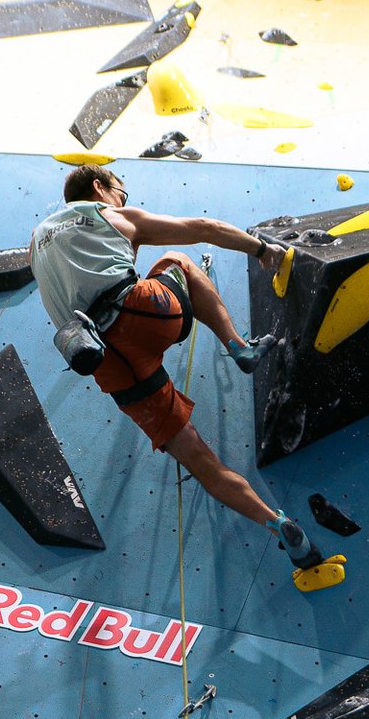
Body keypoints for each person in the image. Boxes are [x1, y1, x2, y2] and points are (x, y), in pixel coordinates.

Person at [29, 164, 342, 589]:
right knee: (177, 258)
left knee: (199, 459)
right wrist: (264, 252)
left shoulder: (36, 244)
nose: (123, 198)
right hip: (143, 314)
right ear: (99, 187)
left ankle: (283, 529)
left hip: (103, 360)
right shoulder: (109, 215)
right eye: (120, 190)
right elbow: (203, 226)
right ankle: (239, 347)